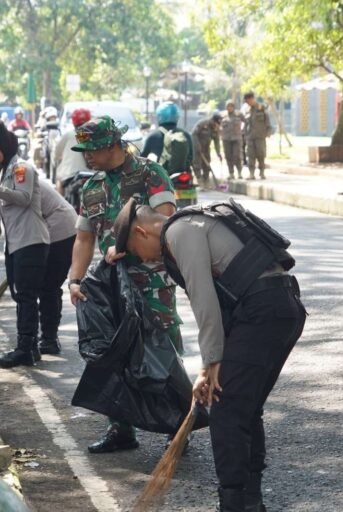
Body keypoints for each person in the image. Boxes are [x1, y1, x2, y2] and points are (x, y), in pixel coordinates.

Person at [112, 198, 306, 512]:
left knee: (226, 409)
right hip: (282, 309)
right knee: (244, 405)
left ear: (140, 232)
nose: (144, 260)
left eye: (137, 252)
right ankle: (250, 499)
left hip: (263, 312)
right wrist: (209, 367)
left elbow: (204, 300)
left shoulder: (179, 233)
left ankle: (233, 503)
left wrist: (210, 361)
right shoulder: (192, 223)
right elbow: (220, 299)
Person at [67, 115, 181, 453]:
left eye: (93, 149)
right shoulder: (91, 187)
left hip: (152, 279)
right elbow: (84, 239)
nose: (87, 156)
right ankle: (120, 428)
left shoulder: (150, 174)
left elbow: (167, 223)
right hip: (112, 284)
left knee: (163, 349)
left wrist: (128, 244)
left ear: (113, 145)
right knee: (115, 352)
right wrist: (75, 279)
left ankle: (178, 424)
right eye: (84, 150)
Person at [0, 120, 50, 368]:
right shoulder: (4, 173)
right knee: (21, 295)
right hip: (15, 245)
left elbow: (25, 198)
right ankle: (31, 348)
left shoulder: (21, 169)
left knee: (26, 296)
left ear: (5, 144)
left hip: (31, 242)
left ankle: (24, 348)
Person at [36, 179, 78, 355]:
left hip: (62, 232)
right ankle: (46, 337)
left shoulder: (19, 181)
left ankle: (49, 339)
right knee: (47, 287)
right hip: (55, 229)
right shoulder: (7, 181)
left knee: (48, 286)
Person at [141, 101, 193, 176]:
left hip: (162, 178)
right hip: (183, 177)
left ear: (159, 116)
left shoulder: (152, 136)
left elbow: (142, 158)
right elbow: (191, 157)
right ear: (177, 116)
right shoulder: (186, 135)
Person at [53, 108, 91, 194]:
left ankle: (61, 206)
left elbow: (57, 151)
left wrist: (57, 157)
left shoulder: (69, 135)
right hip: (92, 174)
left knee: (59, 180)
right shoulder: (94, 135)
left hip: (69, 174)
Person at [242, 92, 272, 180]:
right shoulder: (247, 110)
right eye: (246, 102)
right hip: (250, 137)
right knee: (250, 155)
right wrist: (244, 134)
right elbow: (246, 123)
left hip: (260, 135)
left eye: (248, 101)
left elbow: (267, 120)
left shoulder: (261, 108)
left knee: (261, 155)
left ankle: (262, 172)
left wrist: (269, 131)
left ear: (252, 99)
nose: (248, 103)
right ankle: (251, 173)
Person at [191, 112, 223, 189]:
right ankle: (199, 180)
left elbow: (217, 141)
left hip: (206, 148)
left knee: (207, 164)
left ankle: (206, 181)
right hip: (197, 147)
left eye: (217, 124)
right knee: (197, 164)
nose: (216, 126)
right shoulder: (203, 124)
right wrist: (197, 146)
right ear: (212, 120)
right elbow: (194, 134)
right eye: (215, 123)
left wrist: (218, 153)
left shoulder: (215, 128)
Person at [220, 100, 245, 179]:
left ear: (234, 107)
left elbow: (247, 122)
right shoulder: (222, 115)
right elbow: (218, 125)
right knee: (228, 156)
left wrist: (243, 132)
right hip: (226, 139)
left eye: (231, 106)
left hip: (236, 138)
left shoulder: (239, 114)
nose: (229, 108)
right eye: (228, 106)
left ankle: (239, 172)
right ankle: (231, 173)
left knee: (237, 155)